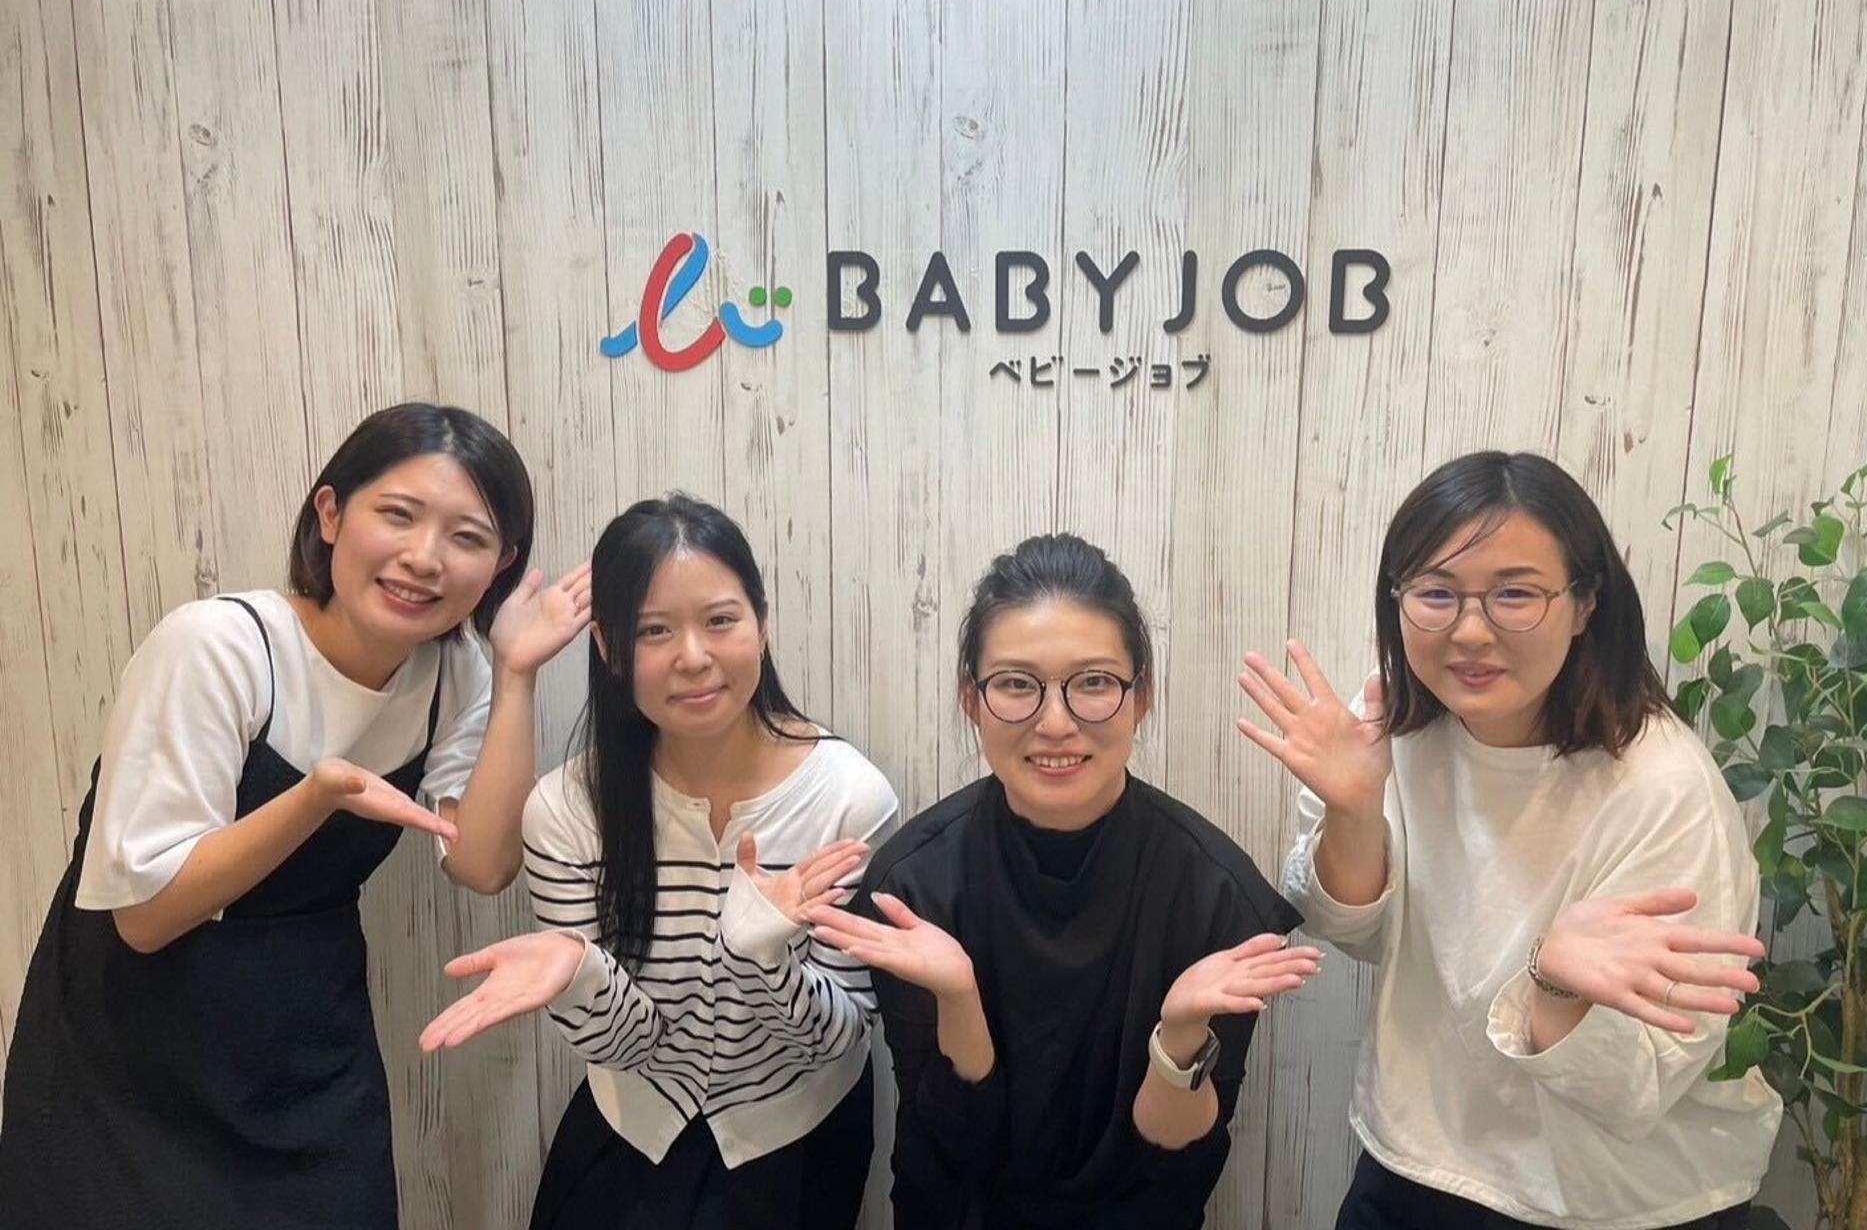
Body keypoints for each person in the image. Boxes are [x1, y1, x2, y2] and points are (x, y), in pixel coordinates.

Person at [0, 402, 592, 1229]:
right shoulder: (220, 647)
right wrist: (314, 798)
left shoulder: (455, 672)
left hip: (305, 1038)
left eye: (468, 537)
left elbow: (484, 864)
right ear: (331, 514)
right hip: (131, 1047)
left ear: (502, 564)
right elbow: (144, 918)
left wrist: (517, 673)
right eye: (399, 515)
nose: (425, 558)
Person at [1237, 450, 1780, 1230]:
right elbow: (1354, 933)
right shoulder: (1393, 726)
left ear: (1585, 604)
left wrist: (1554, 984)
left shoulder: (1664, 791)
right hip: (1420, 1157)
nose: (1470, 631)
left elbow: (1633, 1092)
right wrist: (1353, 810)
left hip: (1613, 1200)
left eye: (1515, 595)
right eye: (1436, 593)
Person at [418, 493, 897, 1230]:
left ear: (763, 624)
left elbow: (837, 1039)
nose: (693, 657)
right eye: (653, 631)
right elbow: (629, 1044)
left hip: (797, 1136)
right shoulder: (567, 810)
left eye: (721, 621)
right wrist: (577, 971)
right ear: (608, 648)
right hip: (630, 1125)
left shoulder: (847, 798)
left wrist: (762, 955)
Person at [813, 533, 1318, 1229]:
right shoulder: (913, 884)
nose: (1056, 723)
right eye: (1016, 684)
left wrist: (1179, 1038)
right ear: (971, 699)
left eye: (1094, 683)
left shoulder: (1215, 893)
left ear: (1142, 697)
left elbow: (1176, 1166)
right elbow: (954, 1147)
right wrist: (959, 996)